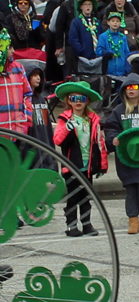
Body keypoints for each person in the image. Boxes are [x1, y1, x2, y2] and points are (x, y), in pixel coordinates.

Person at [53, 81, 107, 236]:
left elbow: (100, 143)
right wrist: (67, 128)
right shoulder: (64, 119)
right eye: (73, 98)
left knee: (85, 197)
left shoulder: (92, 120)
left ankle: (87, 224)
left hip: (88, 166)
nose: (77, 102)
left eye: (81, 99)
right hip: (71, 167)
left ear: (87, 101)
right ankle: (71, 225)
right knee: (73, 197)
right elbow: (57, 140)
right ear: (68, 101)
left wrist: (102, 165)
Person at [104, 74, 139, 234]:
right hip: (127, 158)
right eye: (128, 88)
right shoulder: (118, 111)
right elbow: (110, 127)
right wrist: (113, 140)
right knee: (131, 188)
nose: (131, 90)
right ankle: (133, 220)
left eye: (135, 87)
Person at [55, 0, 90, 76]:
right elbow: (59, 26)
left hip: (86, 44)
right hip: (70, 44)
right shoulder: (66, 5)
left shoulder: (91, 5)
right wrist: (59, 46)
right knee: (70, 72)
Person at [68, 0, 103, 64]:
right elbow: (73, 39)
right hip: (82, 58)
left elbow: (102, 37)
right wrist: (81, 51)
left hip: (97, 58)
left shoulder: (97, 22)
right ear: (81, 7)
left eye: (90, 4)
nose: (88, 6)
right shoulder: (76, 22)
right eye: (85, 4)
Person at [96, 12, 131, 77]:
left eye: (117, 21)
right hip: (108, 72)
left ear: (120, 23)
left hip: (122, 72)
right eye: (113, 21)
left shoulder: (123, 37)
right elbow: (98, 51)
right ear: (108, 22)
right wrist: (107, 54)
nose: (115, 23)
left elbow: (127, 53)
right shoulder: (103, 36)